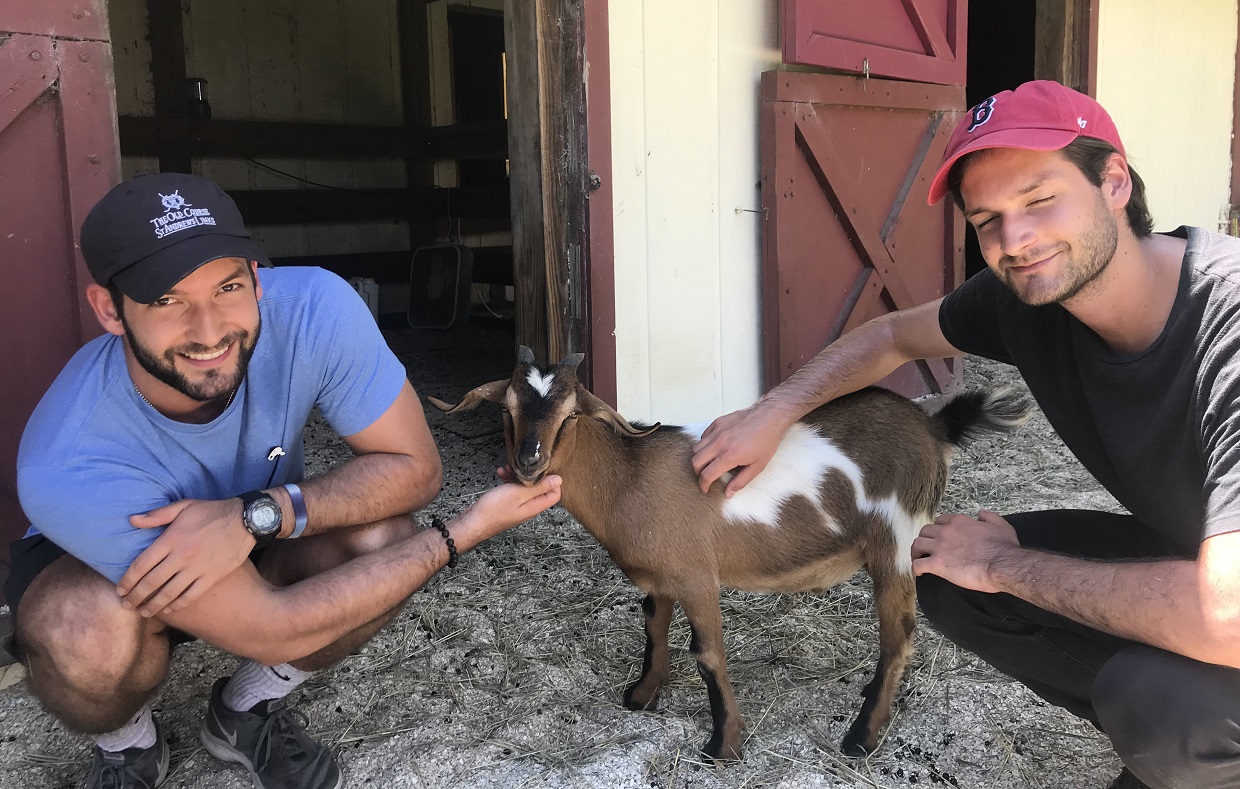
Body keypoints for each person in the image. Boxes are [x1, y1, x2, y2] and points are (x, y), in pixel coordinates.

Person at [690, 80, 1240, 789]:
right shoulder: (1032, 295)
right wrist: (772, 414)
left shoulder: (1224, 327)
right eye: (987, 219)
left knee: (1161, 701)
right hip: (1205, 560)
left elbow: (1229, 617)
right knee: (945, 566)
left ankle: (1193, 740)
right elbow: (892, 333)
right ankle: (1184, 744)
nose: (1014, 240)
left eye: (1040, 200)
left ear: (1113, 181)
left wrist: (1006, 566)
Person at [7, 173, 562, 789]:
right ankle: (127, 745)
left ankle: (244, 710)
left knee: (382, 542)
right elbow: (271, 626)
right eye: (166, 300)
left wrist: (254, 514)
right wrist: (458, 535)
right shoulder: (64, 458)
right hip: (106, 560)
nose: (209, 329)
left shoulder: (313, 308)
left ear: (256, 277)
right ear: (111, 310)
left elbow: (415, 469)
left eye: (228, 286)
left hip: (251, 520)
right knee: (85, 636)